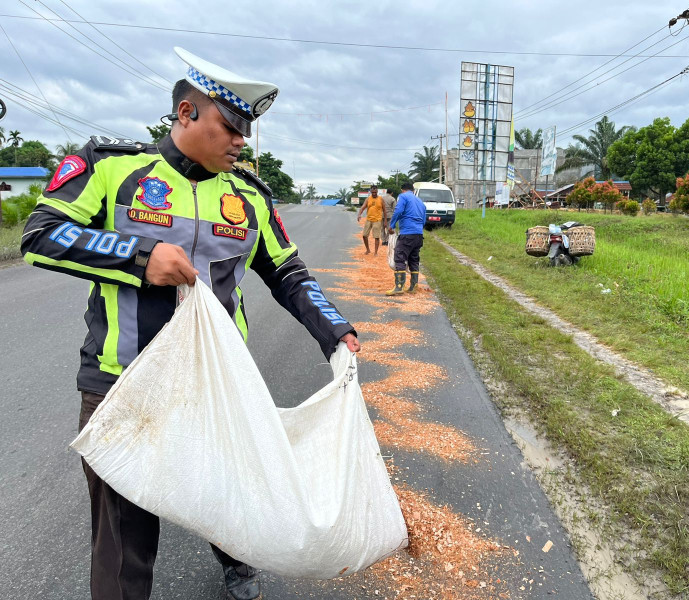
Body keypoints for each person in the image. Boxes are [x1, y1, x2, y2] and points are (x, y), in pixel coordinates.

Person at [20, 46, 360, 600]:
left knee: (230, 491)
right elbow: (40, 235)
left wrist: (335, 330)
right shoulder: (113, 169)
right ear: (186, 114)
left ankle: (237, 561)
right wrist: (138, 256)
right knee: (123, 534)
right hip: (121, 383)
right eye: (231, 126)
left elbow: (289, 272)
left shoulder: (247, 196)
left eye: (246, 130)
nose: (241, 141)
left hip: (216, 385)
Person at [386, 182, 426, 295]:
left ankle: (399, 286)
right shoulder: (420, 201)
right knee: (414, 258)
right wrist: (419, 229)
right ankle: (414, 286)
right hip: (418, 234)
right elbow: (424, 219)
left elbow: (398, 211)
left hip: (407, 233)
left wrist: (392, 225)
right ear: (413, 190)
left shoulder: (403, 196)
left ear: (402, 190)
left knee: (399, 256)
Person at [356, 185, 386, 255]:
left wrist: (384, 221)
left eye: (375, 192)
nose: (374, 194)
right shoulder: (368, 199)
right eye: (373, 192)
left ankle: (375, 252)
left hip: (377, 220)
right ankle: (368, 249)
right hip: (369, 219)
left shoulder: (381, 199)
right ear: (371, 192)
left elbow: (384, 211)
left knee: (376, 237)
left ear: (377, 191)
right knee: (364, 235)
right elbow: (363, 207)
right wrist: (359, 214)